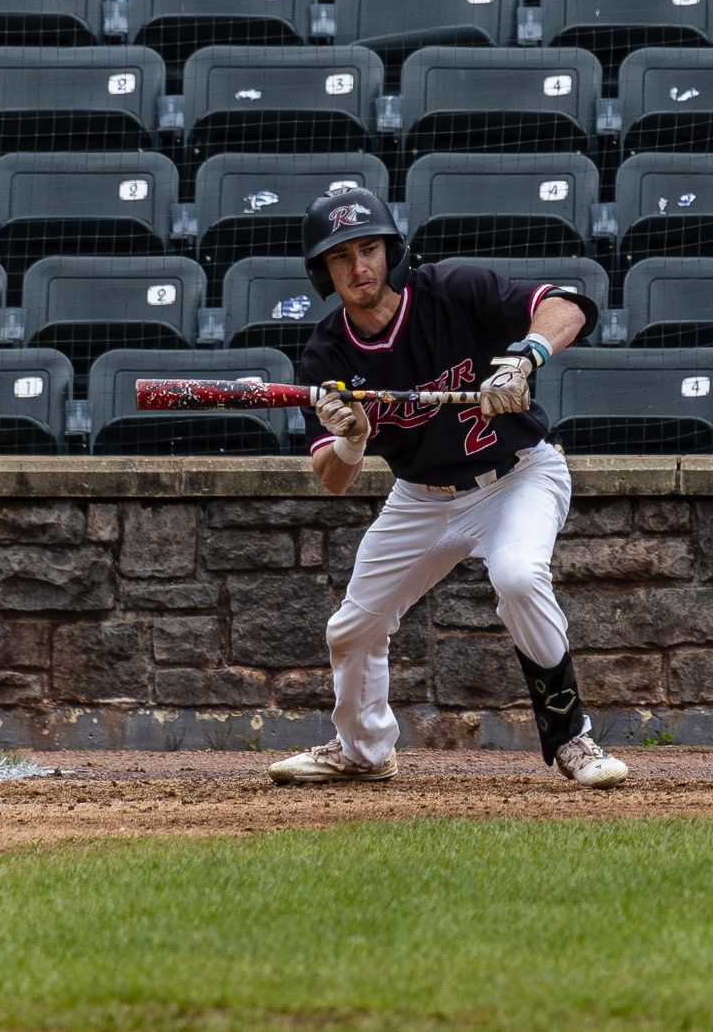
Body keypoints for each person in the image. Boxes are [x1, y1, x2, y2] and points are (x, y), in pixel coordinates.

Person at [268, 187, 628, 790]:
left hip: (518, 476)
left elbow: (569, 307)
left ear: (391, 252)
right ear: (323, 272)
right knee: (352, 627)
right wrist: (352, 440)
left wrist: (524, 358)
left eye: (368, 249)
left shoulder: (451, 289)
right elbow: (331, 478)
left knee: (517, 574)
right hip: (421, 496)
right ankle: (362, 750)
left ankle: (571, 739)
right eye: (340, 258)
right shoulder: (326, 353)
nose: (358, 268)